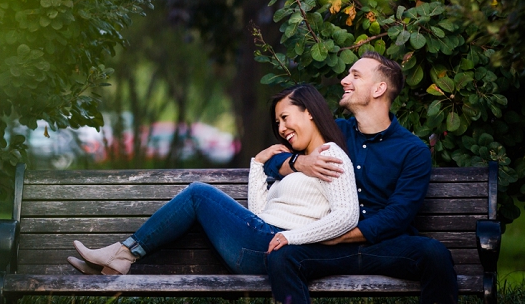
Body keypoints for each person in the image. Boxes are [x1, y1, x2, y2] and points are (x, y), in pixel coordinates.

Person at [67, 85, 359, 276]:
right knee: (199, 195)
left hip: (276, 247)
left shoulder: (329, 155)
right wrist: (257, 165)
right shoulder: (299, 165)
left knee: (199, 194)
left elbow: (347, 216)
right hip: (261, 243)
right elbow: (258, 216)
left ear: (309, 111)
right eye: (278, 123)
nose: (281, 129)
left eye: (285, 118)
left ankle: (124, 253)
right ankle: (117, 261)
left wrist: (289, 237)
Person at [263, 52, 458, 304]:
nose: (345, 80)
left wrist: (341, 235)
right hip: (329, 247)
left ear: (379, 89)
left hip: (384, 246)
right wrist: (300, 162)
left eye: (355, 75)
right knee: (282, 257)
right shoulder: (333, 132)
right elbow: (272, 161)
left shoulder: (413, 151)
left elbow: (398, 215)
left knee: (434, 253)